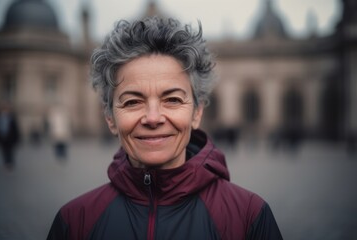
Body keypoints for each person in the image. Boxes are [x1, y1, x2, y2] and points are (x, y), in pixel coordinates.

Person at [47, 17, 283, 240]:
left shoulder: (250, 217)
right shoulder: (74, 222)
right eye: (132, 101)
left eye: (172, 100)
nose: (153, 118)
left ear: (197, 113)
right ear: (110, 118)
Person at [0, 103, 20, 169]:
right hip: (2, 138)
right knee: (4, 151)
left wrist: (17, 138)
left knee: (10, 151)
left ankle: (10, 163)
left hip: (10, 138)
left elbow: (16, 129)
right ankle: (6, 162)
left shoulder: (11, 118)